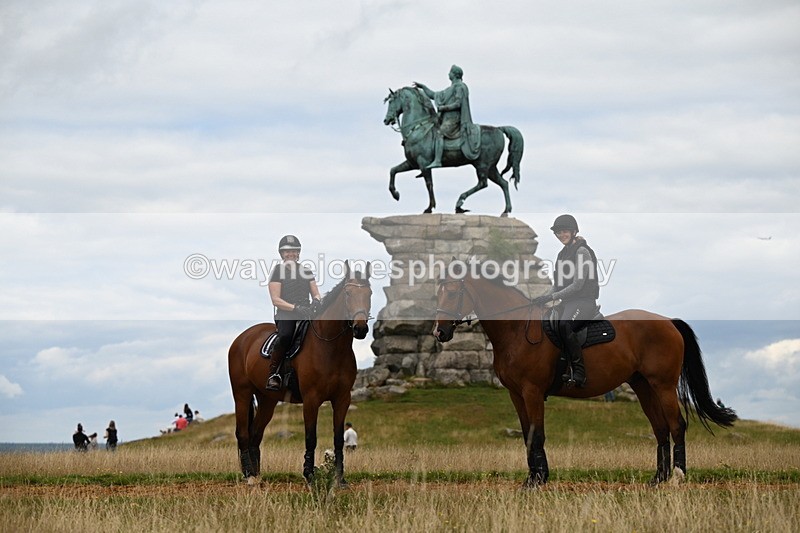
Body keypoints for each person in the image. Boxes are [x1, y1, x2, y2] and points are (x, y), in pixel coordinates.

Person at [532, 214, 600, 388]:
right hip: (568, 302)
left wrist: (552, 297)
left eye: (565, 231)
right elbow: (557, 285)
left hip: (584, 301)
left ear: (573, 231)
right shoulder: (562, 255)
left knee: (564, 324)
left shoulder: (582, 252)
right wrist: (541, 297)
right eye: (559, 232)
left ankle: (579, 372)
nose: (562, 235)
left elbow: (578, 285)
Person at [266, 234, 322, 391]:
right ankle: (274, 373)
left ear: (298, 253)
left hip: (307, 312)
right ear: (282, 254)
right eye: (287, 251)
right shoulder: (277, 271)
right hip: (286, 313)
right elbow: (275, 300)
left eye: (294, 251)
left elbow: (316, 292)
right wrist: (295, 308)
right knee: (285, 337)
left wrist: (316, 301)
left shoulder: (306, 271)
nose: (291, 254)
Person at [414, 64, 480, 169]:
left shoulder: (460, 87)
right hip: (446, 119)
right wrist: (423, 87)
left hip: (454, 119)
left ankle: (438, 160)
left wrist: (444, 108)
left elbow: (458, 104)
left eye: (450, 72)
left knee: (439, 133)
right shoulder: (450, 89)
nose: (448, 74)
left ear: (454, 74)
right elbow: (433, 95)